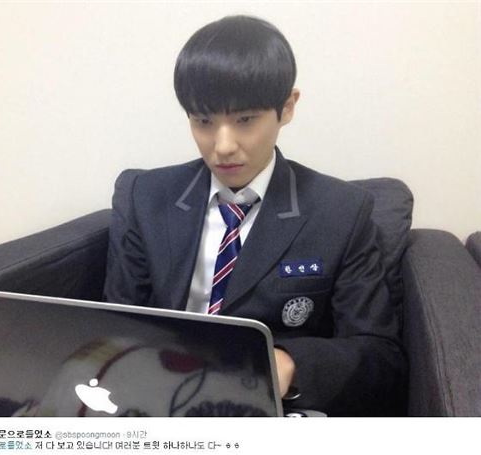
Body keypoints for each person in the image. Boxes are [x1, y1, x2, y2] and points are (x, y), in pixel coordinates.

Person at [104, 15, 406, 416]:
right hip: (159, 395)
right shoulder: (145, 196)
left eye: (245, 120)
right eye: (203, 121)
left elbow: (379, 355)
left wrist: (289, 364)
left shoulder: (341, 212)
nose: (223, 146)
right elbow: (117, 323)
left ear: (287, 107)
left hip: (265, 406)